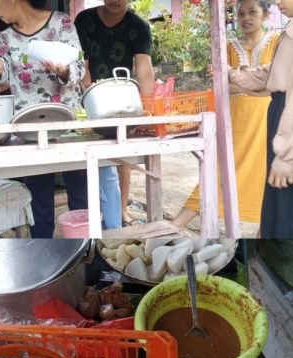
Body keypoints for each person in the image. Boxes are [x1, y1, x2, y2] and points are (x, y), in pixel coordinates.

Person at [0, 0, 88, 238]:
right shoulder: (3, 39)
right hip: (29, 131)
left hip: (69, 128)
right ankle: (44, 259)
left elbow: (79, 68)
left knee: (81, 196)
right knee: (39, 201)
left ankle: (85, 254)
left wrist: (64, 71)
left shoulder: (61, 23)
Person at [173, 0, 279, 231]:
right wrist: (254, 84)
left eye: (252, 12)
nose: (246, 18)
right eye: (241, 14)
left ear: (266, 14)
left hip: (268, 121)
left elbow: (276, 83)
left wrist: (237, 79)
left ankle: (264, 232)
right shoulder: (227, 46)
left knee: (267, 178)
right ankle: (177, 224)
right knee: (218, 170)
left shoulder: (277, 42)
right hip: (235, 120)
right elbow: (220, 86)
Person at [75, 0, 155, 230]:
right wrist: (91, 99)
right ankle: (92, 211)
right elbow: (83, 65)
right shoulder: (85, 20)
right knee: (91, 154)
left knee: (123, 156)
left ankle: (119, 209)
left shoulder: (139, 26)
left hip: (123, 97)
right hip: (89, 94)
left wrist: (146, 108)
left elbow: (143, 67)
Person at [228, 0, 293, 238]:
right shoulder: (289, 31)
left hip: (287, 124)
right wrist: (231, 74)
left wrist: (286, 157)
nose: (277, 2)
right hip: (279, 116)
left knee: (284, 209)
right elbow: (271, 74)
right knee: (277, 208)